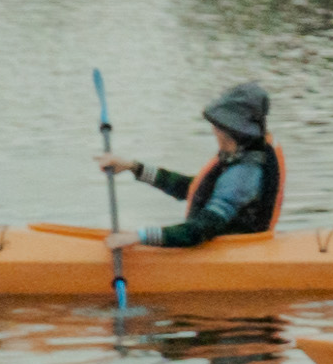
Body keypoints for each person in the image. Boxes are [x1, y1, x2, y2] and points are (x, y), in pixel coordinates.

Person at [101, 84, 282, 245]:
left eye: (218, 126)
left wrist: (140, 236)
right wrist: (133, 167)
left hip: (232, 257)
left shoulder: (243, 176)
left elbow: (198, 232)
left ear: (231, 131)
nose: (214, 131)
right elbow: (191, 189)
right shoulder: (243, 157)